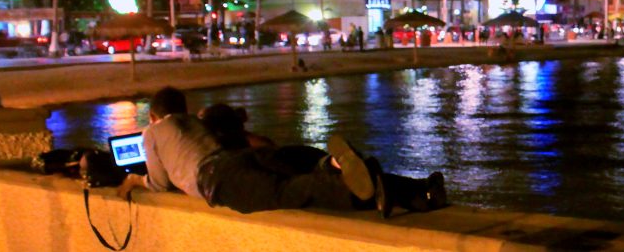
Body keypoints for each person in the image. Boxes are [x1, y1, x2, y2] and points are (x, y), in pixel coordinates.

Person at [117, 87, 412, 216]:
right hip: (236, 158)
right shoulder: (194, 121)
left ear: (154, 116)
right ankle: (331, 163)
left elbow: (159, 183)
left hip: (216, 177)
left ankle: (335, 172)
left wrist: (133, 180)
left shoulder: (152, 131)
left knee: (286, 192)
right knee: (292, 170)